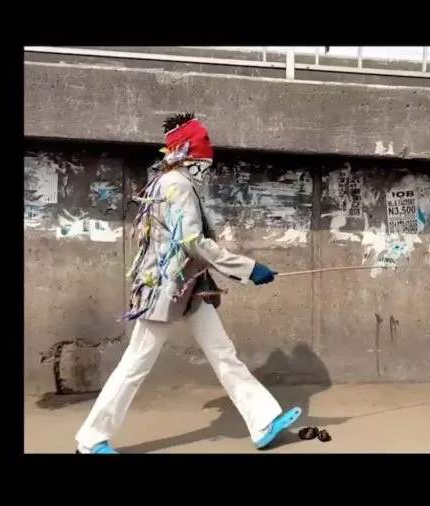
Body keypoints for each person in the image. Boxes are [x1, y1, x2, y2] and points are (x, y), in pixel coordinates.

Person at [74, 113, 301, 454]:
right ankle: (90, 440)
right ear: (186, 154)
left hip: (187, 287)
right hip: (164, 290)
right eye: (202, 152)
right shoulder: (177, 185)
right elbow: (192, 241)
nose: (207, 161)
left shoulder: (171, 181)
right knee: (136, 364)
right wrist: (248, 268)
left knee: (223, 353)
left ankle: (263, 421)